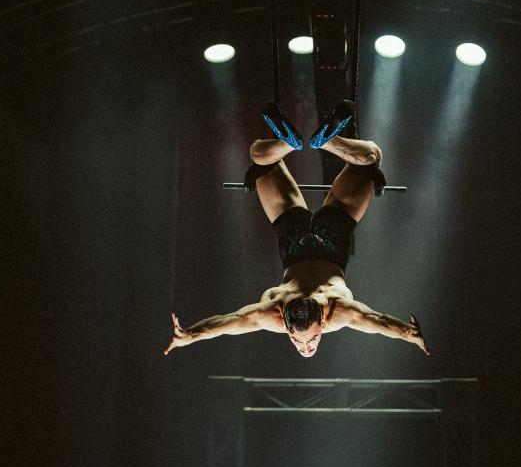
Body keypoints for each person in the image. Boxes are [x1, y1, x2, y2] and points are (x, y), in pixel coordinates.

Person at [165, 100, 430, 359]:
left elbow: (230, 323)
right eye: (308, 341)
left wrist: (408, 334)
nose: (305, 347)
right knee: (260, 157)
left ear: (287, 320)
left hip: (326, 236)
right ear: (320, 322)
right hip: (298, 235)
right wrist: (190, 335)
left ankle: (323, 142)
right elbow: (230, 322)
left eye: (300, 341)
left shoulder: (334, 312)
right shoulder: (278, 309)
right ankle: (297, 143)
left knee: (371, 157)